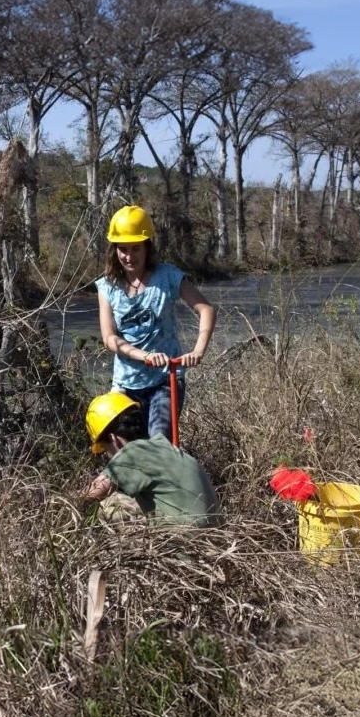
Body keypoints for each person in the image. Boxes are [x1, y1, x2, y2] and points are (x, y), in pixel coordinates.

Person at [95, 205, 216, 442]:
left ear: (147, 247)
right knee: (122, 446)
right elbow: (109, 338)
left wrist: (198, 351)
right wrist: (144, 355)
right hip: (126, 384)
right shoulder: (107, 287)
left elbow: (206, 309)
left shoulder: (167, 276)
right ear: (114, 250)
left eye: (135, 248)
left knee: (158, 439)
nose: (129, 256)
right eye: (123, 249)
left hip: (165, 379)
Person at [77, 392, 220, 527]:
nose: (106, 455)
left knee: (110, 506)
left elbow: (91, 493)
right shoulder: (162, 445)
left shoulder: (130, 453)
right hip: (216, 539)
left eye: (103, 448)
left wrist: (61, 504)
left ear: (113, 439)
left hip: (184, 545)